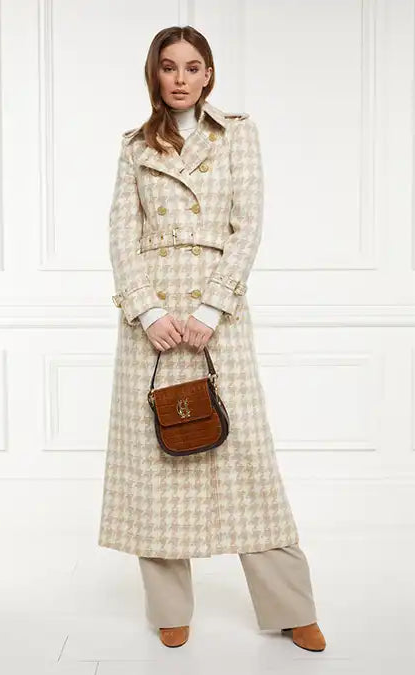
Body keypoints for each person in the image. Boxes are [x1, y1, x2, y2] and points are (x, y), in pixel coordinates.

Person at [98, 25, 326, 652]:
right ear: (154, 74)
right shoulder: (134, 146)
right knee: (156, 458)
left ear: (208, 75)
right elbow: (120, 234)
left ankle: (290, 607)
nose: (181, 78)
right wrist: (148, 311)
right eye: (169, 66)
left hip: (216, 316)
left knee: (246, 458)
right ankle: (169, 607)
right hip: (151, 322)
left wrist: (211, 306)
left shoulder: (237, 134)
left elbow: (248, 226)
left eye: (193, 67)